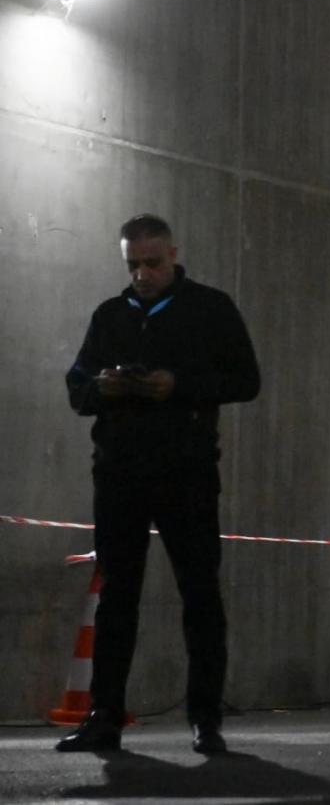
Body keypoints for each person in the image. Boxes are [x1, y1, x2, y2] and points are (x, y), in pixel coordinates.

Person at [58, 214, 260, 755]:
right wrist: (104, 387)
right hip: (119, 473)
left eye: (152, 263)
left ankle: (205, 718)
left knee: (200, 595)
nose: (142, 274)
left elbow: (247, 380)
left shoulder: (211, 309)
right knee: (117, 596)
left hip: (187, 473)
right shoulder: (109, 316)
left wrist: (179, 386)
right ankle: (104, 718)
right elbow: (77, 388)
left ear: (173, 253)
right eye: (133, 265)